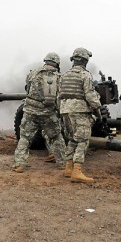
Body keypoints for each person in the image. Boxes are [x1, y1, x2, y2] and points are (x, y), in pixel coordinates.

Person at [13, 53, 66, 172]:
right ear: (57, 63)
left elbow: (27, 88)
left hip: (31, 111)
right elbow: (60, 96)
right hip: (48, 113)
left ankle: (20, 164)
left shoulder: (33, 73)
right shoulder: (59, 77)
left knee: (25, 138)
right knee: (57, 137)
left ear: (45, 61)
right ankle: (62, 164)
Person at [59, 47, 101, 183]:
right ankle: (77, 171)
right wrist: (97, 109)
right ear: (85, 61)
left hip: (65, 110)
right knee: (83, 140)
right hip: (80, 111)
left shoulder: (64, 75)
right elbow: (90, 95)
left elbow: (59, 96)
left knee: (72, 139)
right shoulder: (85, 75)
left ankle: (68, 168)